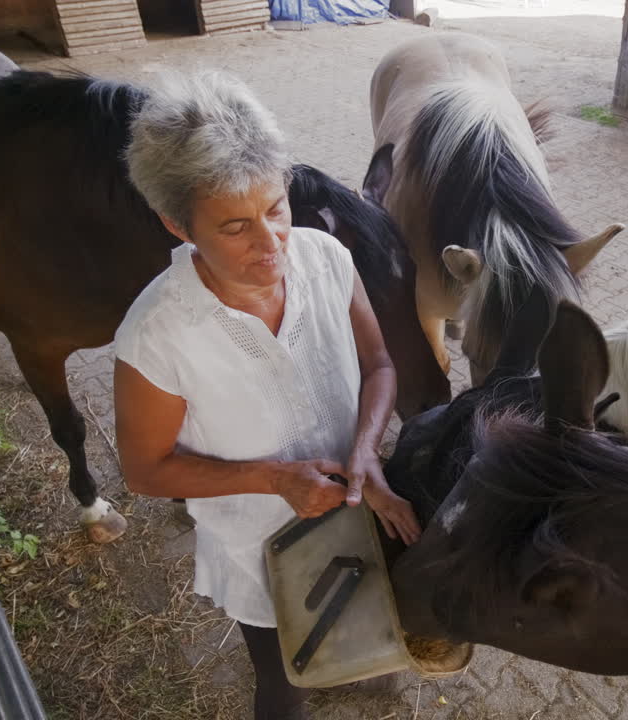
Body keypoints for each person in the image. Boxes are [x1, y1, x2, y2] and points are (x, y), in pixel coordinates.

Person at [113, 71, 422, 720]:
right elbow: (144, 470)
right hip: (260, 547)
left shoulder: (327, 259)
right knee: (285, 679)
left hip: (356, 510)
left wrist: (367, 450)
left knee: (366, 623)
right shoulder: (157, 336)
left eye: (277, 208)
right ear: (178, 225)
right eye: (235, 227)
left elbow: (378, 366)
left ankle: (363, 673)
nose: (270, 242)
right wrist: (274, 478)